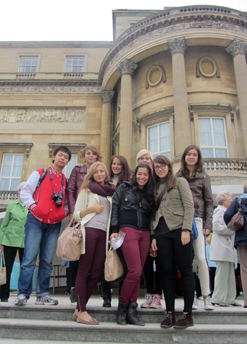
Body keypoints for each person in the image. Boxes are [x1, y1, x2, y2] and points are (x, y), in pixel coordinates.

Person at [14, 146, 71, 306]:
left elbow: (67, 202)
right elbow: (25, 192)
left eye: (66, 157)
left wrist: (64, 213)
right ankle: (23, 294)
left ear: (67, 161)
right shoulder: (40, 173)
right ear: (54, 156)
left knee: (47, 261)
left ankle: (43, 294)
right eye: (60, 155)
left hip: (53, 224)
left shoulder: (64, 181)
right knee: (29, 259)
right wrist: (34, 207)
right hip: (35, 221)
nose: (62, 158)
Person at [151, 155, 195, 329]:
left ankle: (187, 314)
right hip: (161, 233)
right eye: (156, 167)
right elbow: (153, 212)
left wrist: (186, 229)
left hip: (179, 231)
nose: (159, 169)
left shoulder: (180, 182)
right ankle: (169, 313)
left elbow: (189, 206)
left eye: (162, 166)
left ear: (168, 166)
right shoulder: (154, 187)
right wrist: (153, 236)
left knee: (186, 270)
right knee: (167, 272)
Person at [72, 162, 116, 325]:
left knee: (96, 272)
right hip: (89, 230)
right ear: (92, 174)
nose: (99, 174)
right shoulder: (86, 189)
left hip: (104, 235)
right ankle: (82, 310)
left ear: (106, 173)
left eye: (101, 171)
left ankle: (78, 308)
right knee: (84, 270)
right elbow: (76, 215)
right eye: (96, 172)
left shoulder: (111, 191)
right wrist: (91, 209)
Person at [110, 163, 154, 326]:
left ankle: (131, 309)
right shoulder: (124, 187)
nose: (142, 177)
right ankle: (122, 307)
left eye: (145, 175)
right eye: (139, 174)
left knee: (138, 272)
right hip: (127, 229)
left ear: (149, 177)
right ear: (135, 174)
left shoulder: (150, 192)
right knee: (134, 271)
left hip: (145, 232)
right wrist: (114, 228)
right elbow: (115, 207)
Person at [176, 145, 214, 311]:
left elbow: (209, 201)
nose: (191, 157)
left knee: (201, 258)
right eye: (188, 154)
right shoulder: (177, 176)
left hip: (197, 220)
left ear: (198, 158)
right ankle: (192, 297)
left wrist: (208, 224)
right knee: (187, 261)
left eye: (194, 155)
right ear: (184, 157)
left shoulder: (204, 176)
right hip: (181, 221)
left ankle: (206, 296)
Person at [67, 145, 102, 303]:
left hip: (96, 218)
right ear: (84, 156)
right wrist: (74, 212)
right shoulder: (77, 170)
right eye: (88, 153)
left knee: (93, 256)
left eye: (94, 154)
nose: (91, 156)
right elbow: (71, 190)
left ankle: (94, 290)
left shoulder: (100, 171)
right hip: (80, 215)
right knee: (76, 252)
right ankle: (74, 288)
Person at [100, 155, 131, 307]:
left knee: (122, 261)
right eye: (114, 164)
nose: (116, 166)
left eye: (119, 164)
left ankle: (121, 296)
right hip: (105, 225)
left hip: (120, 226)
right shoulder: (105, 182)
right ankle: (106, 296)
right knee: (106, 260)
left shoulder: (127, 184)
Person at [136, 149, 163, 309]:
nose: (145, 160)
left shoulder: (157, 181)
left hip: (157, 225)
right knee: (146, 262)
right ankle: (149, 294)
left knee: (159, 260)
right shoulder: (137, 179)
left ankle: (157, 295)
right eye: (142, 158)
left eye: (148, 158)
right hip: (143, 226)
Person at [210, 191, 240, 306]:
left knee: (229, 274)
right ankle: (218, 298)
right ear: (223, 201)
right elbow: (216, 227)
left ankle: (229, 298)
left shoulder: (228, 212)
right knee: (222, 274)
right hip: (222, 247)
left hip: (228, 247)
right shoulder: (219, 210)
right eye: (229, 199)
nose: (231, 201)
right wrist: (232, 229)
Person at [0, 182, 28, 302]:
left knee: (26, 268)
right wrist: (1, 241)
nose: (20, 192)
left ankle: (23, 294)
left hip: (25, 241)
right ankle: (3, 295)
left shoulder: (31, 205)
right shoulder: (12, 204)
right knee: (7, 268)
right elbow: (4, 225)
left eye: (23, 190)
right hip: (9, 240)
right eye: (19, 190)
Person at [224, 182, 247, 309]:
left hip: (243, 238)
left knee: (245, 269)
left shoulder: (238, 201)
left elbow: (226, 216)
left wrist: (234, 227)